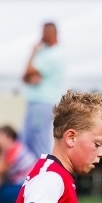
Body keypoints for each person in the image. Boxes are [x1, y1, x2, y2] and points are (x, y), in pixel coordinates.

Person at [21, 22, 65, 159]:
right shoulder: (44, 52)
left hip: (42, 102)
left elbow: (29, 71)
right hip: (34, 102)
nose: (42, 36)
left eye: (44, 33)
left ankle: (42, 172)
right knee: (27, 141)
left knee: (39, 142)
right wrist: (30, 75)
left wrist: (33, 52)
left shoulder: (55, 54)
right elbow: (25, 77)